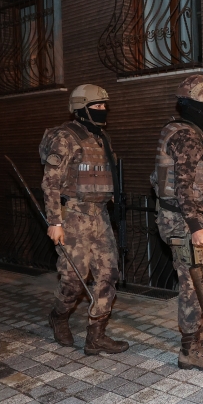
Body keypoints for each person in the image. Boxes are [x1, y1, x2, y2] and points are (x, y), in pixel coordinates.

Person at [40, 84, 129, 355]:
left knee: (108, 274)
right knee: (74, 280)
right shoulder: (65, 138)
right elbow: (50, 182)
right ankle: (59, 316)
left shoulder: (102, 138)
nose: (103, 110)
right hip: (74, 217)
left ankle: (96, 336)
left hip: (100, 215)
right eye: (97, 106)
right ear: (81, 108)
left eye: (104, 106)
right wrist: (55, 222)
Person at [150, 74, 203, 371]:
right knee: (193, 282)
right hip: (182, 218)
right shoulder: (186, 136)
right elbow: (183, 186)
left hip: (180, 214)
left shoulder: (180, 129)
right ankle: (189, 349)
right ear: (195, 106)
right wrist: (195, 225)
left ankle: (198, 327)